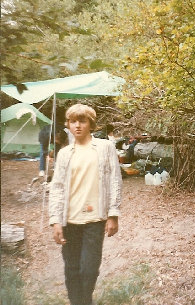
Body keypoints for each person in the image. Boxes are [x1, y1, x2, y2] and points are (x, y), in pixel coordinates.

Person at [48, 104, 122, 305]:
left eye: (82, 121)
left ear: (91, 124)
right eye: (73, 121)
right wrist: (55, 221)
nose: (77, 126)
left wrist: (113, 214)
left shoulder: (105, 148)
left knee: (89, 269)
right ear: (68, 124)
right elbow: (57, 188)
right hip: (69, 220)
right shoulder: (64, 154)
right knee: (71, 269)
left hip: (94, 219)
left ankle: (85, 300)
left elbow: (115, 180)